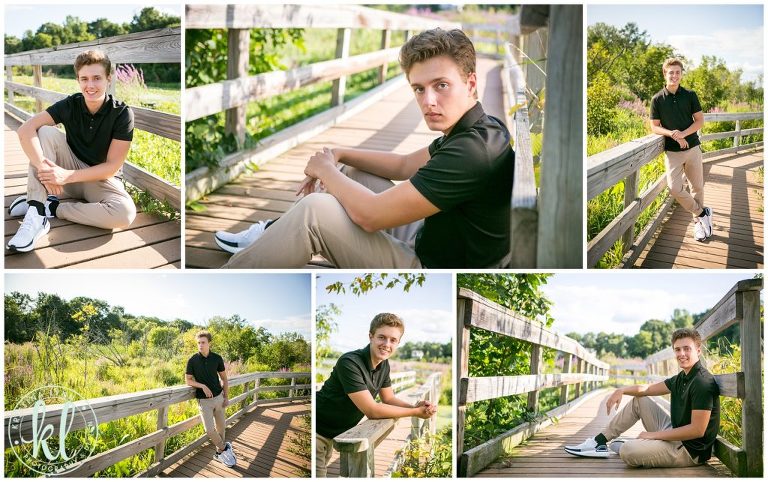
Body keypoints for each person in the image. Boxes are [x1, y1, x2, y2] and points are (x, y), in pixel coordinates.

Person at [215, 28, 514, 268]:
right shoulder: (483, 128)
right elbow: (403, 165)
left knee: (314, 213)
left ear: (471, 83)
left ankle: (233, 274)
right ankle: (274, 233)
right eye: (419, 89)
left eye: (441, 85)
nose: (428, 101)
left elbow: (370, 214)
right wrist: (339, 154)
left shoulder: (472, 151)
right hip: (437, 238)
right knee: (355, 171)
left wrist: (324, 170)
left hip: (432, 268)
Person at [7, 49, 136, 253]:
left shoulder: (121, 114)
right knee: (46, 132)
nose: (90, 85)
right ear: (78, 80)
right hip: (64, 176)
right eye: (84, 79)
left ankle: (53, 208)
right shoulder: (70, 104)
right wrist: (47, 172)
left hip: (99, 180)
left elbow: (111, 167)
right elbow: (25, 129)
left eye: (97, 78)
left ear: (109, 79)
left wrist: (65, 176)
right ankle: (36, 211)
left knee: (125, 214)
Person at [564, 328, 720, 469]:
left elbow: (697, 430)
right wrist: (622, 390)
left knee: (627, 451)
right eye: (677, 350)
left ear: (698, 351)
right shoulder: (681, 377)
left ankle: (631, 445)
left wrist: (652, 436)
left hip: (690, 450)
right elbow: (647, 389)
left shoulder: (702, 382)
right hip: (675, 433)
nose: (681, 354)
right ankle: (599, 441)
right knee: (640, 399)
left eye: (687, 349)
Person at [315, 313, 436, 477]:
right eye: (382, 337)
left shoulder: (384, 364)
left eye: (393, 340)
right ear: (371, 336)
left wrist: (414, 406)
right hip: (317, 430)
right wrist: (415, 413)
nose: (387, 344)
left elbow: (389, 399)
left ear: (398, 343)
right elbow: (372, 410)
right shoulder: (349, 362)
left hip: (336, 434)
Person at [650, 58, 712, 242]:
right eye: (671, 72)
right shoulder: (657, 99)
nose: (674, 75)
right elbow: (654, 127)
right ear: (665, 73)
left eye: (677, 72)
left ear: (681, 74)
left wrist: (683, 134)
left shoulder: (690, 95)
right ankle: (702, 213)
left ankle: (698, 226)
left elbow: (700, 121)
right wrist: (673, 134)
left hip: (693, 148)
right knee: (675, 188)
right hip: (672, 152)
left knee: (697, 187)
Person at [185, 331, 236, 468]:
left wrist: (226, 396)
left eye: (203, 342)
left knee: (221, 428)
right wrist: (202, 385)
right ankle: (225, 448)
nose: (200, 345)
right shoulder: (192, 360)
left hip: (219, 398)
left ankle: (220, 453)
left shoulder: (217, 358)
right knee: (209, 430)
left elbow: (224, 378)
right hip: (204, 401)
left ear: (209, 343)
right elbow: (188, 381)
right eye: (198, 343)